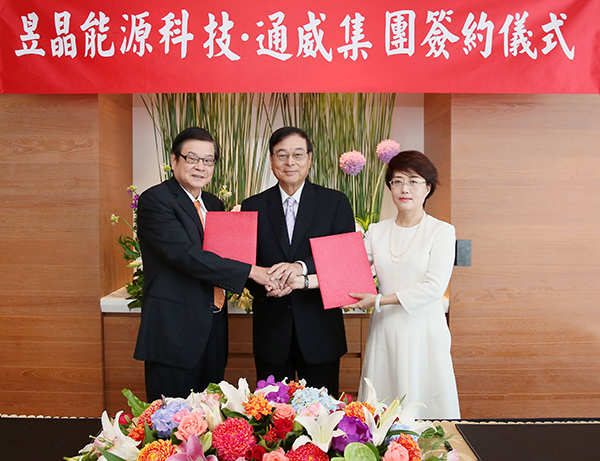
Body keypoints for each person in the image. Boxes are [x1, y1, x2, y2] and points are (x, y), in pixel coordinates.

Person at [288, 150, 460, 419]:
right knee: (382, 406)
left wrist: (379, 300)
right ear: (389, 186)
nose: (405, 189)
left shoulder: (441, 231)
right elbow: (343, 271)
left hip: (423, 328)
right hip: (385, 329)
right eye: (397, 181)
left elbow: (434, 287)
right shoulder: (377, 231)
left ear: (428, 188)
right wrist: (300, 281)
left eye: (413, 181)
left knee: (424, 402)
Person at [134, 127, 273, 401]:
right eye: (192, 158)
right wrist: (252, 271)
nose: (201, 166)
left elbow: (224, 255)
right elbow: (186, 256)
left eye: (208, 160)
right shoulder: (156, 200)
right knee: (171, 418)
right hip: (174, 331)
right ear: (174, 159)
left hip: (213, 329)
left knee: (209, 415)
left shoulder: (214, 203)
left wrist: (270, 278)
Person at [241, 126, 355, 396]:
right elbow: (245, 265)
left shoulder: (335, 203)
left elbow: (343, 260)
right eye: (282, 155)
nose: (289, 162)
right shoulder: (252, 206)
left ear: (309, 159)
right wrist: (268, 286)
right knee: (269, 414)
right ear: (271, 160)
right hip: (271, 332)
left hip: (320, 332)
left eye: (297, 154)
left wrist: (300, 268)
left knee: (323, 413)